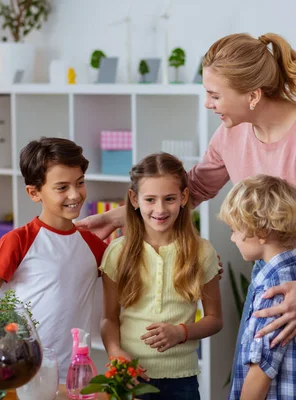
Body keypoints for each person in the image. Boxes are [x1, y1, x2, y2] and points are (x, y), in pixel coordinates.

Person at [77, 32, 296, 399]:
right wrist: (124, 215)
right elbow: (195, 188)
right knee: (266, 377)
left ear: (252, 95)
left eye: (215, 95)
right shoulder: (231, 133)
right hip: (273, 267)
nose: (208, 104)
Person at [0, 137, 107, 382]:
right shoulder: (18, 241)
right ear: (34, 192)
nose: (75, 194)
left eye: (80, 183)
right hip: (22, 372)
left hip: (74, 375)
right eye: (62, 187)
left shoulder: (93, 245)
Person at [100, 152, 223, 400]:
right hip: (129, 376)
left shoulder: (202, 251)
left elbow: (215, 319)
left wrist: (181, 332)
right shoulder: (117, 252)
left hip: (182, 381)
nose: (160, 209)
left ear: (183, 197)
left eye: (169, 199)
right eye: (150, 199)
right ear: (134, 199)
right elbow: (109, 319)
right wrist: (115, 352)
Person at [220, 175, 296, 399]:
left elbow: (260, 373)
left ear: (262, 232)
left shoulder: (275, 289)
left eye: (235, 230)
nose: (232, 239)